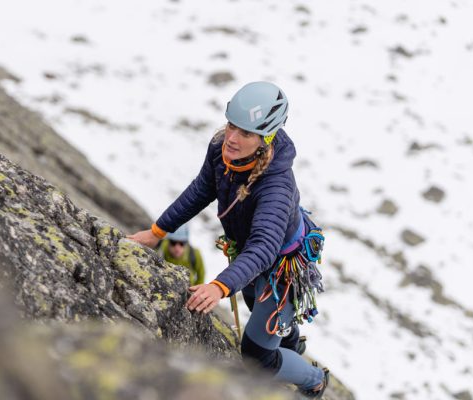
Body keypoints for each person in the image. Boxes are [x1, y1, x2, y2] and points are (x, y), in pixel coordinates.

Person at [129, 81, 329, 398]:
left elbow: (264, 248)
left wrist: (218, 286)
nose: (232, 138)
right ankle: (291, 340)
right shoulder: (222, 149)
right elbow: (201, 190)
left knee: (257, 358)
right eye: (232, 125)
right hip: (251, 255)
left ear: (266, 138)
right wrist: (157, 232)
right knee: (258, 309)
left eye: (245, 133)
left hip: (282, 270)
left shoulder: (276, 188)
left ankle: (315, 380)